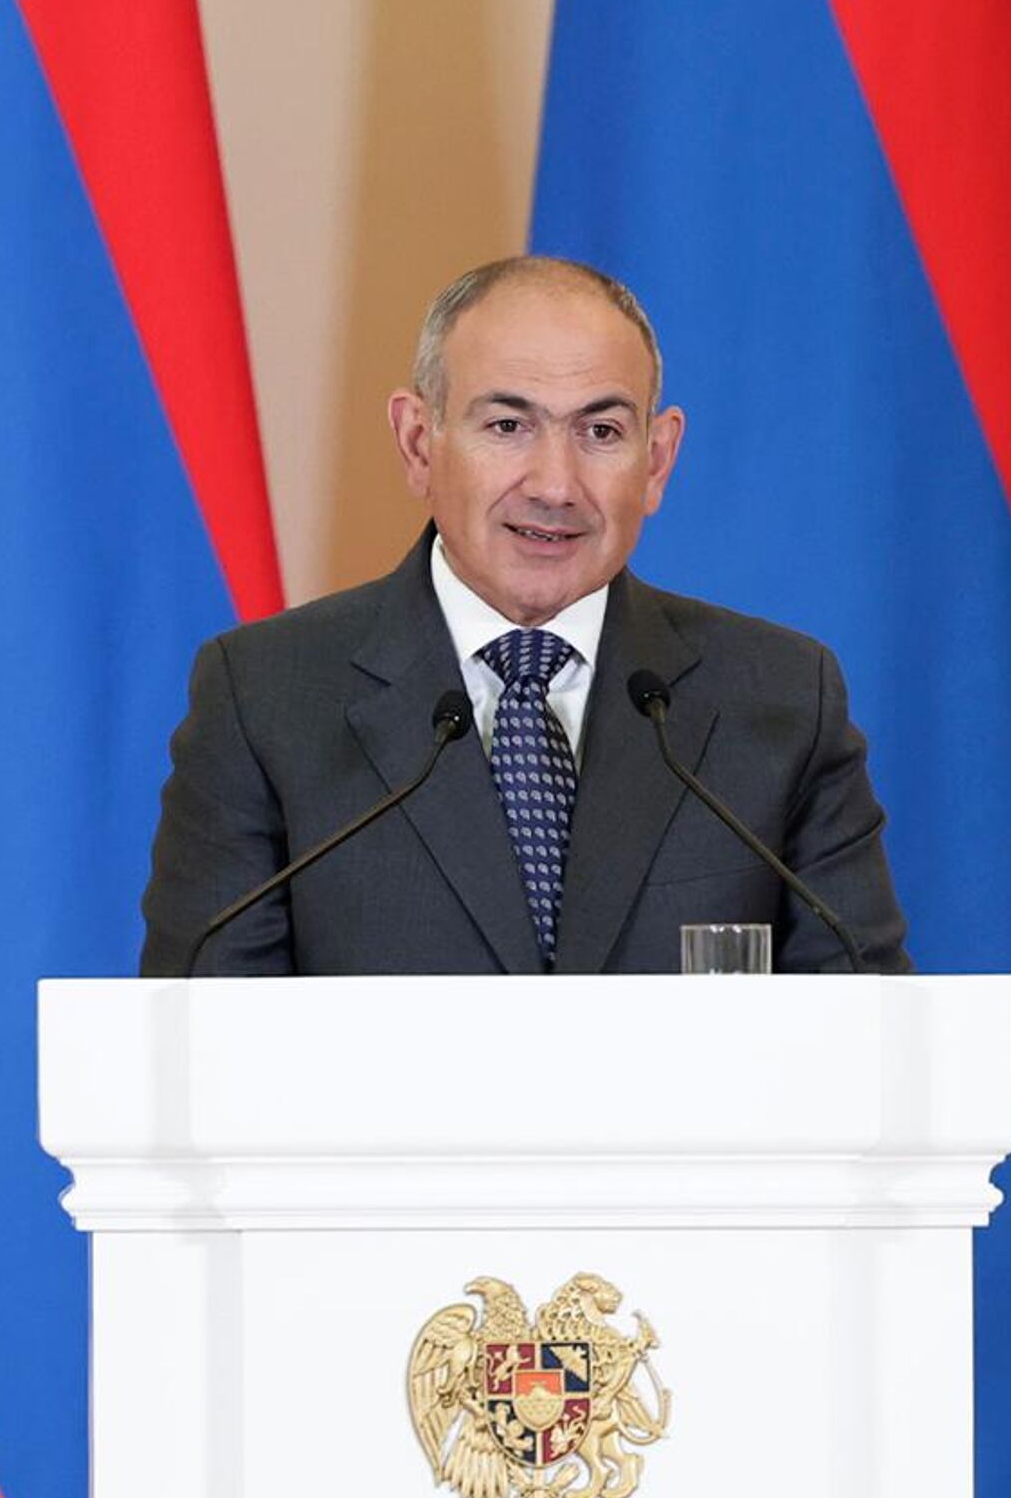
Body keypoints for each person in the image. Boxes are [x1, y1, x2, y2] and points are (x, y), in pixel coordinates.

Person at [139, 255, 910, 976]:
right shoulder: (265, 697)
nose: (555, 485)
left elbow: (869, 1031)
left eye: (601, 432)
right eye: (508, 426)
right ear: (418, 442)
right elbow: (201, 1037)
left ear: (656, 460)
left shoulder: (779, 698)